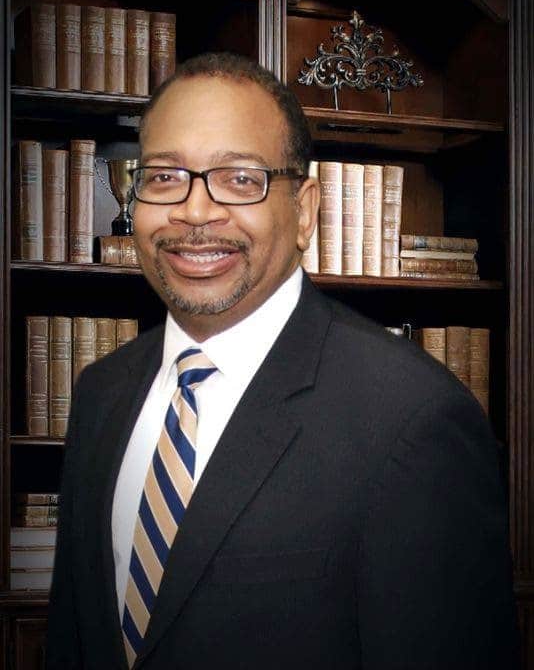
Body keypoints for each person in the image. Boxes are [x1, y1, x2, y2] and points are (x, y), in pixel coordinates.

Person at [46, 52, 519, 670]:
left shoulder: (414, 420)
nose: (194, 212)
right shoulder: (101, 392)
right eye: (164, 176)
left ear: (304, 212)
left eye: (241, 179)